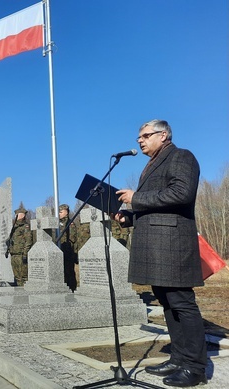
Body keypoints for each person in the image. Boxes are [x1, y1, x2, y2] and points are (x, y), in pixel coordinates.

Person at [113, 119, 207, 387]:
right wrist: (128, 217)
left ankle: (195, 368)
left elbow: (181, 193)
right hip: (156, 245)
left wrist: (136, 198)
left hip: (172, 244)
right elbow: (156, 205)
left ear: (163, 135)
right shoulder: (152, 164)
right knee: (167, 303)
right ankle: (179, 357)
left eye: (145, 135)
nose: (140, 140)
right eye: (138, 138)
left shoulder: (181, 156)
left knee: (182, 303)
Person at [8, 206, 33, 286]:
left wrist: (25, 254)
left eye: (17, 214)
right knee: (17, 276)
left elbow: (28, 241)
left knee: (23, 276)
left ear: (22, 215)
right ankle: (19, 293)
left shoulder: (25, 226)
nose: (16, 216)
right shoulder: (15, 227)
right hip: (14, 254)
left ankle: (24, 295)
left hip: (21, 254)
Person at [58, 204, 78, 292]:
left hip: (68, 251)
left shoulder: (70, 223)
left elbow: (72, 238)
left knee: (69, 272)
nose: (59, 214)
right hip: (59, 251)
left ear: (66, 212)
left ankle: (72, 289)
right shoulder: (57, 223)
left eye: (61, 212)